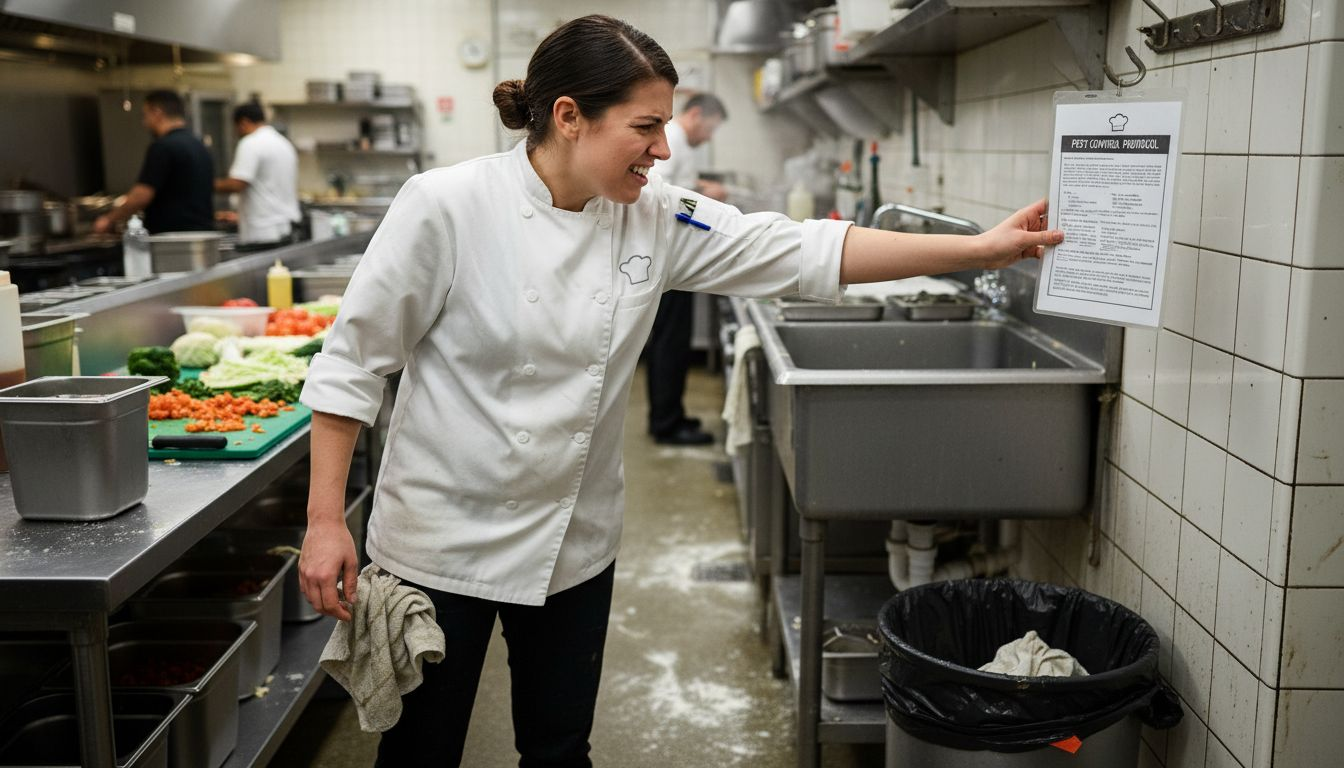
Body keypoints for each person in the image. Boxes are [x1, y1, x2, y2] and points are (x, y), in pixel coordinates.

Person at [297, 14, 1062, 768]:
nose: (664, 149)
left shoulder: (656, 215)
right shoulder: (445, 206)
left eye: (666, 125)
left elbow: (800, 247)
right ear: (569, 117)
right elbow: (353, 363)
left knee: (560, 750)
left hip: (573, 539)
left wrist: (978, 249)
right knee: (421, 751)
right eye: (645, 126)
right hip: (439, 537)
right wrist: (326, 520)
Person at [645, 93, 729, 445]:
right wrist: (705, 200)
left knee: (672, 342)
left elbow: (674, 188)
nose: (709, 136)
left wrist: (698, 190)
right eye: (709, 128)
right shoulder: (673, 141)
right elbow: (656, 193)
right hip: (668, 256)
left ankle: (672, 415)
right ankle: (666, 424)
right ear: (695, 115)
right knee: (669, 343)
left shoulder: (680, 143)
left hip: (673, 255)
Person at [94, 90, 214, 235]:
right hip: (203, 233)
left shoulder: (163, 146)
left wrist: (109, 219)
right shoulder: (198, 144)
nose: (144, 123)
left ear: (157, 113)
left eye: (145, 115)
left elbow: (142, 195)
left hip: (172, 237)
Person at [215, 101, 301, 247]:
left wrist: (202, 183)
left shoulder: (250, 143)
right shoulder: (283, 142)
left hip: (262, 230)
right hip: (285, 226)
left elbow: (238, 183)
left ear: (244, 122)